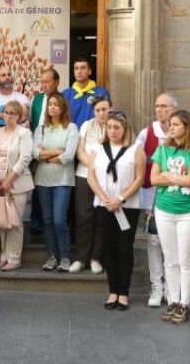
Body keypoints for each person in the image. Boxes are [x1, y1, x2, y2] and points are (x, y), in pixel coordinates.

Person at [149, 110, 190, 323]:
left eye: (175, 124)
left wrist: (168, 174)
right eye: (170, 124)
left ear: (187, 126)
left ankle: (184, 304)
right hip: (163, 210)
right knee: (170, 259)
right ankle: (173, 301)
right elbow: (153, 179)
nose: (171, 127)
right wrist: (180, 179)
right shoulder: (162, 149)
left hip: (187, 212)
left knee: (185, 260)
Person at [87, 110, 144, 310]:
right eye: (109, 127)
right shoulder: (97, 148)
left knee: (124, 248)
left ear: (125, 129)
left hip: (127, 206)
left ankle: (124, 292)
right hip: (104, 205)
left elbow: (139, 178)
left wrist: (120, 199)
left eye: (117, 128)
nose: (112, 131)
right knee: (109, 247)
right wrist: (105, 199)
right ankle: (113, 290)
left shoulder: (136, 149)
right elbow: (91, 177)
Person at [136, 92, 177, 306]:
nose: (160, 110)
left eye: (164, 106)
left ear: (174, 109)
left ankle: (171, 287)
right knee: (153, 241)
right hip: (152, 195)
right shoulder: (147, 133)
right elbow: (135, 156)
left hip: (175, 196)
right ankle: (156, 287)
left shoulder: (182, 132)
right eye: (157, 106)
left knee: (171, 243)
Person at [33, 93, 79, 272]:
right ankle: (52, 256)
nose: (52, 107)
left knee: (59, 219)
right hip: (43, 179)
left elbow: (69, 155)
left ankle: (65, 257)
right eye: (50, 104)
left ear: (62, 107)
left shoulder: (71, 128)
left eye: (56, 104)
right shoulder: (41, 129)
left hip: (63, 179)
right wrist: (57, 151)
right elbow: (35, 154)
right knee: (47, 219)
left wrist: (47, 155)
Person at [0, 100, 34, 272]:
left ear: (19, 116)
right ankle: (4, 257)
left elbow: (25, 159)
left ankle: (14, 258)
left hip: (17, 183)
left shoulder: (24, 133)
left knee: (15, 222)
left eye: (12, 113)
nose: (8, 116)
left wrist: (8, 181)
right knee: (3, 221)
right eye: (6, 112)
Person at [70, 95, 111, 274]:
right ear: (93, 111)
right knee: (83, 217)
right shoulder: (86, 125)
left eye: (104, 109)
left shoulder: (115, 126)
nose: (101, 113)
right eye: (98, 110)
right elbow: (79, 151)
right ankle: (81, 258)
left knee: (101, 216)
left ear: (110, 109)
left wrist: (99, 170)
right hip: (84, 175)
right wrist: (93, 168)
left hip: (106, 178)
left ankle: (95, 258)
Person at [29, 68, 60, 235]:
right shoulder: (38, 98)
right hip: (37, 145)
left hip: (55, 147)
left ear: (56, 82)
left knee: (55, 188)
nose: (44, 85)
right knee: (37, 186)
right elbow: (32, 121)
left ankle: (54, 223)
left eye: (47, 81)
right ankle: (36, 221)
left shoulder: (62, 99)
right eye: (42, 82)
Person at [62, 58, 109, 128]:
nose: (79, 71)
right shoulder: (66, 94)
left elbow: (107, 117)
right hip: (72, 133)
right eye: (76, 68)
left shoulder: (101, 93)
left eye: (83, 68)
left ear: (89, 71)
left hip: (94, 133)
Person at [0, 64, 30, 130]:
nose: (7, 77)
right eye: (3, 75)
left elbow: (24, 117)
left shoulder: (22, 98)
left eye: (9, 75)